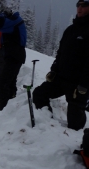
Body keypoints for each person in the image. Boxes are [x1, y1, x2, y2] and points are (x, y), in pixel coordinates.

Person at [32, 0, 89, 131]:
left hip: (78, 84)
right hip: (61, 78)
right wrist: (54, 70)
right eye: (78, 5)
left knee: (75, 121)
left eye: (84, 5)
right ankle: (48, 126)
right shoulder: (70, 30)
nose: (80, 8)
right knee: (39, 94)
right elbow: (60, 52)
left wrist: (84, 84)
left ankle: (75, 140)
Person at [0, 7, 27, 111]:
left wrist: (1, 16)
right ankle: (10, 107)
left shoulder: (13, 22)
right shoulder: (15, 21)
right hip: (15, 55)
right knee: (10, 81)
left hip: (14, 55)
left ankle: (2, 109)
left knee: (3, 82)